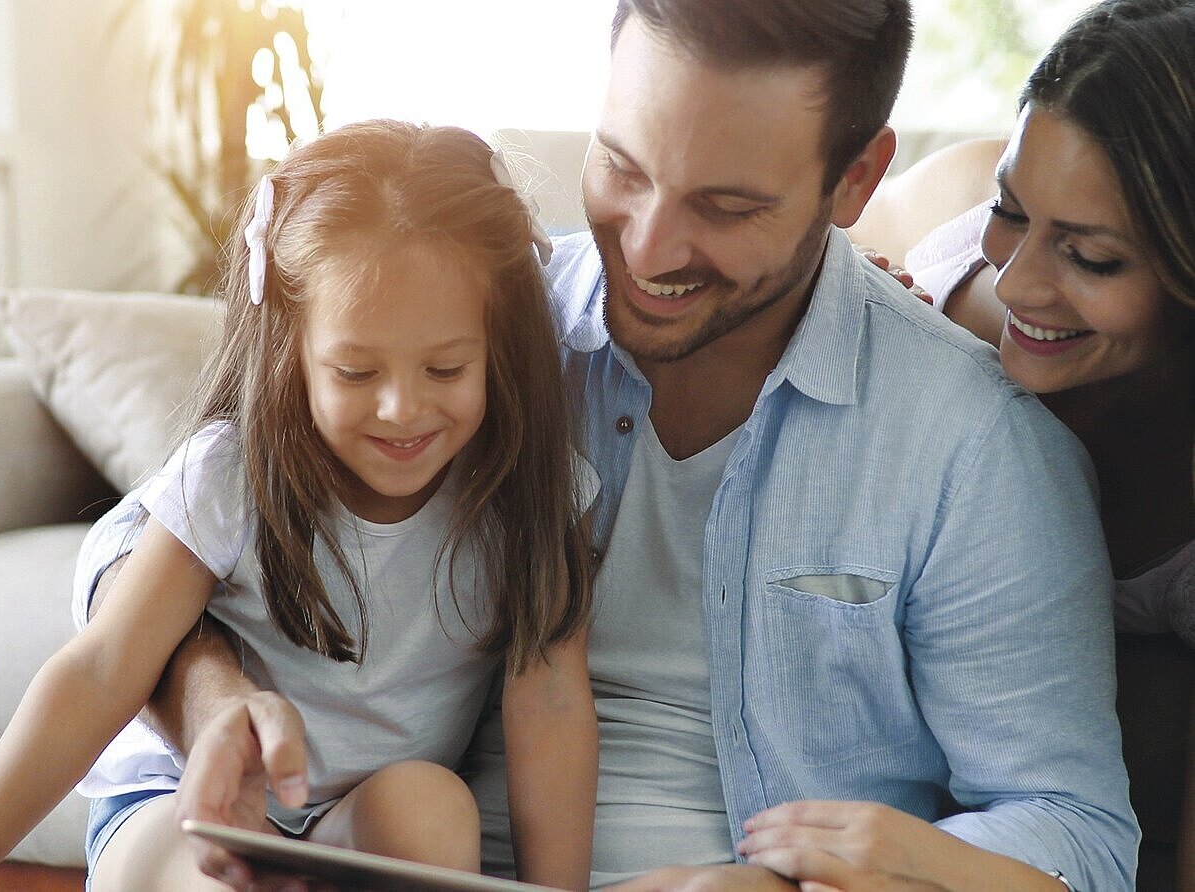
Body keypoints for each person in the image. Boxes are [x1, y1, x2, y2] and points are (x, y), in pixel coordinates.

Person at [68, 1, 1140, 890]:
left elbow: (1075, 829)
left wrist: (810, 880)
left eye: (724, 205)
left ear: (855, 182)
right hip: (374, 847)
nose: (647, 245)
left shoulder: (968, 443)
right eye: (622, 167)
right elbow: (139, 540)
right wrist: (215, 697)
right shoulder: (474, 328)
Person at [0, 121, 598, 892]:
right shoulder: (232, 473)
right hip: (185, 812)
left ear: (497, 345)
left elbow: (549, 703)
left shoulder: (535, 495)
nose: (401, 408)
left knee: (435, 809)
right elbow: (104, 665)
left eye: (445, 368)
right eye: (353, 371)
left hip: (352, 819)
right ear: (294, 350)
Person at [862, 0, 1195, 886]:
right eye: (1014, 210)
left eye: (1092, 258)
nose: (1019, 284)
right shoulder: (961, 287)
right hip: (923, 223)